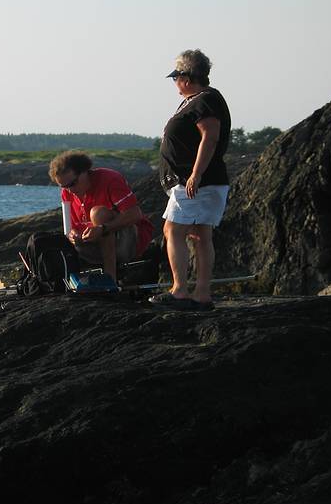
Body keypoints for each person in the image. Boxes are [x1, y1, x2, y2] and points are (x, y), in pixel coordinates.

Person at [150, 48, 230, 311]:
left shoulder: (206, 100)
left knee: (173, 230)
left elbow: (210, 136)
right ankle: (202, 293)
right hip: (200, 181)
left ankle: (180, 290)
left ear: (186, 77)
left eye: (176, 78)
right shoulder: (200, 99)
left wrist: (195, 174)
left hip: (195, 182)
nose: (175, 83)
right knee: (199, 235)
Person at [48, 151, 153, 283]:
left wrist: (103, 228)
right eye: (64, 187)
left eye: (73, 183)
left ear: (85, 171)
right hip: (94, 247)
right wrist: (73, 235)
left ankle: (110, 279)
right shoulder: (67, 193)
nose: (70, 190)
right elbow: (72, 228)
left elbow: (135, 214)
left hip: (129, 243)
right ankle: (75, 281)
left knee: (98, 214)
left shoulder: (109, 179)